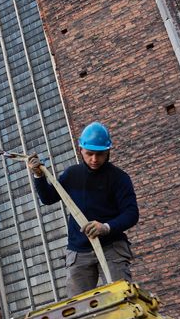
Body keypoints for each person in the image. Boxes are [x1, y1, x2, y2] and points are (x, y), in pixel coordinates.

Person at [28, 122, 139, 296]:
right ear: (81, 150)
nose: (94, 159)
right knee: (77, 308)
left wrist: (106, 227)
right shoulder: (72, 175)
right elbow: (48, 198)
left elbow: (131, 214)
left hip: (111, 248)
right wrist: (39, 176)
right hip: (79, 252)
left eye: (100, 154)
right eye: (90, 154)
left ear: (108, 151)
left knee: (123, 298)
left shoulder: (119, 179)